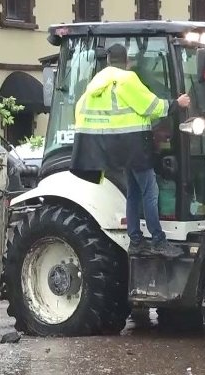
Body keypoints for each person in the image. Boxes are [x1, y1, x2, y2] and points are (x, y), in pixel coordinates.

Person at [72, 43, 191, 258]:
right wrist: (177, 103)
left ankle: (135, 241)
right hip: (135, 147)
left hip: (115, 150)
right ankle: (158, 240)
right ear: (126, 61)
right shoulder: (127, 79)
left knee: (133, 194)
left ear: (108, 61)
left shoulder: (97, 84)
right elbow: (151, 107)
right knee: (150, 192)